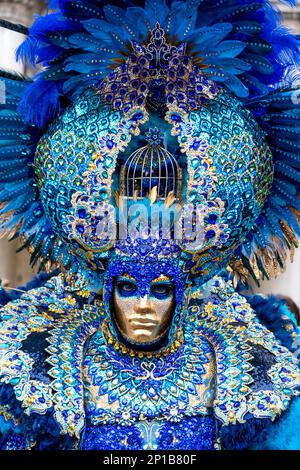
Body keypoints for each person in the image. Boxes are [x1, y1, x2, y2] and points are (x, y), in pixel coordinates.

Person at [0, 0, 299, 450]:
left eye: (159, 289)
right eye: (128, 287)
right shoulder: (26, 348)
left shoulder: (257, 355)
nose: (142, 306)